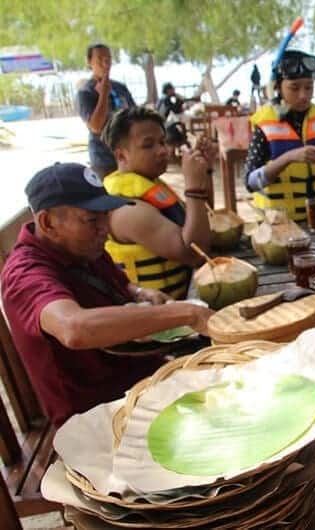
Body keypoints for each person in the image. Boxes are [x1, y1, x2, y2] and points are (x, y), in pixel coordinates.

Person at [0, 163, 214, 426]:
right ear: (47, 222)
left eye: (105, 215)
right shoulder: (26, 274)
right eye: (91, 220)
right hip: (97, 415)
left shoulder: (82, 246)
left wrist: (139, 292)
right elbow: (74, 327)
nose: (105, 227)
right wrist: (185, 313)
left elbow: (121, 285)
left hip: (140, 378)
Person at [101, 106, 213, 299]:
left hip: (184, 300)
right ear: (121, 155)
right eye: (148, 145)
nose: (162, 151)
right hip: (157, 319)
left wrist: (205, 173)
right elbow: (196, 253)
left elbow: (204, 217)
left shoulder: (151, 184)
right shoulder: (127, 210)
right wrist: (193, 187)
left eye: (162, 142)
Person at [244, 50, 315, 221]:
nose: (303, 95)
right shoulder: (264, 124)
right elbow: (251, 183)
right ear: (278, 87)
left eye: (309, 87)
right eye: (294, 88)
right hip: (280, 225)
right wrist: (288, 158)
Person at [76, 43, 135, 178]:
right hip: (103, 158)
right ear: (89, 62)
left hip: (128, 154)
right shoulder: (86, 92)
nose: (105, 63)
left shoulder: (120, 87)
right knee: (109, 194)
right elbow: (95, 127)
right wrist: (103, 95)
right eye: (100, 59)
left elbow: (134, 115)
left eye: (108, 58)